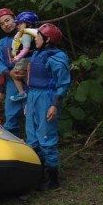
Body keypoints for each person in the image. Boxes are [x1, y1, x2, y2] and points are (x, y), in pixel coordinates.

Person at [23, 23, 72, 190]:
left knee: (46, 137)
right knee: (32, 138)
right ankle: (38, 175)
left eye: (38, 36)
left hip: (46, 98)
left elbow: (62, 84)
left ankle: (53, 180)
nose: (35, 39)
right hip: (32, 96)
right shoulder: (37, 54)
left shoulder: (56, 57)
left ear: (48, 39)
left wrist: (54, 105)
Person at [0, 7, 25, 137]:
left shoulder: (28, 34)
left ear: (14, 18)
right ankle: (13, 148)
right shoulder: (1, 43)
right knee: (10, 115)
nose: (6, 24)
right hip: (12, 80)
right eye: (2, 24)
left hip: (32, 80)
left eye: (7, 20)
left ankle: (36, 150)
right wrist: (9, 73)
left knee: (33, 114)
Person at [9, 11, 40, 102]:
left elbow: (26, 49)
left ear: (28, 24)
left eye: (20, 23)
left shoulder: (26, 34)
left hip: (26, 58)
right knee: (27, 76)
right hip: (33, 58)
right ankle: (31, 91)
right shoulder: (34, 33)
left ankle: (21, 93)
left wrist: (17, 58)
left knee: (15, 74)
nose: (17, 25)